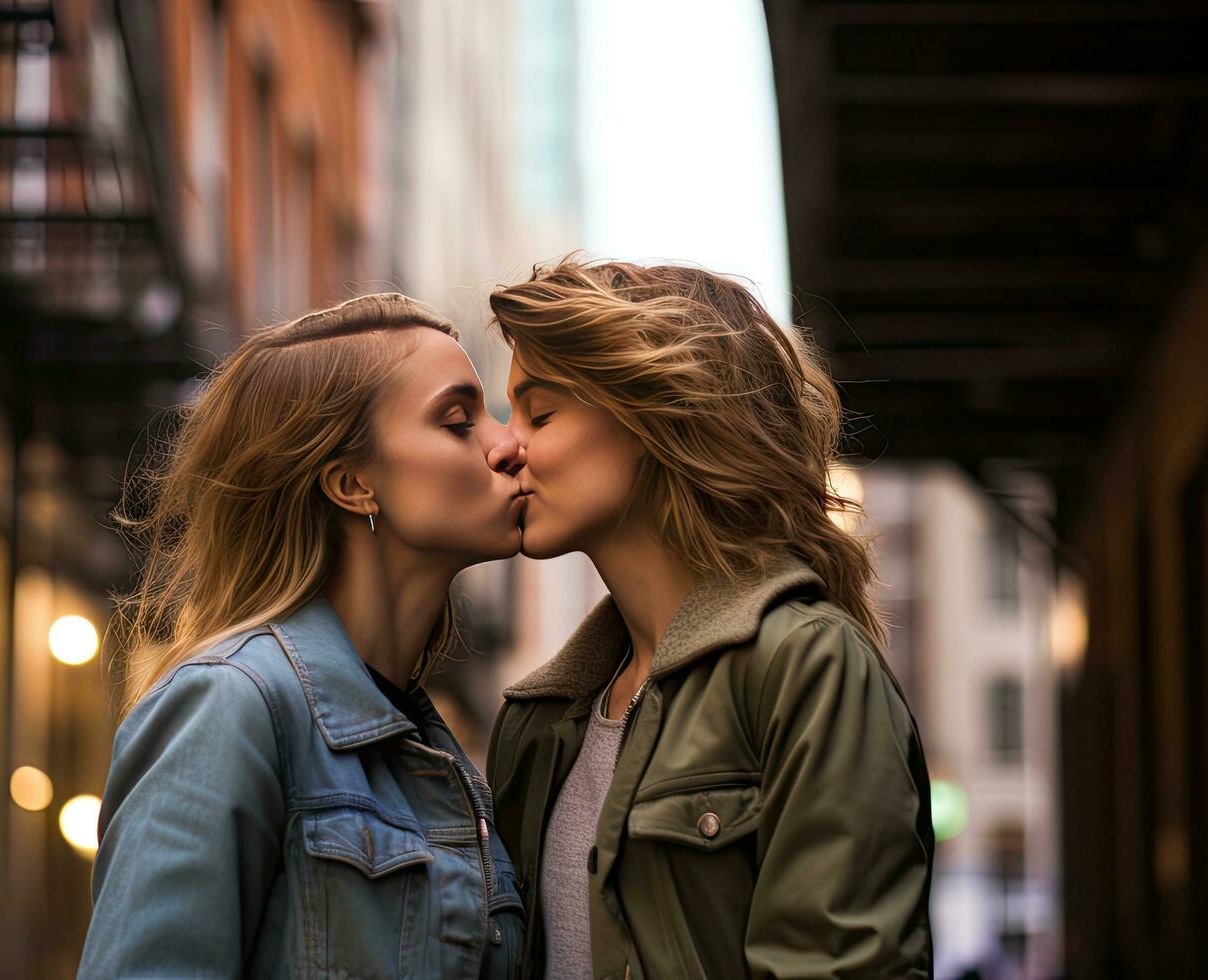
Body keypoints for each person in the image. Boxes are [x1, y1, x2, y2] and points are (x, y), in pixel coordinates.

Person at [485, 258, 934, 979]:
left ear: (652, 417)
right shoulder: (536, 723)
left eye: (539, 413)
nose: (505, 446)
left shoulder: (807, 667)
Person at [79, 294, 530, 978]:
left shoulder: (436, 757)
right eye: (459, 421)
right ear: (352, 483)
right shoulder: (230, 706)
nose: (507, 444)